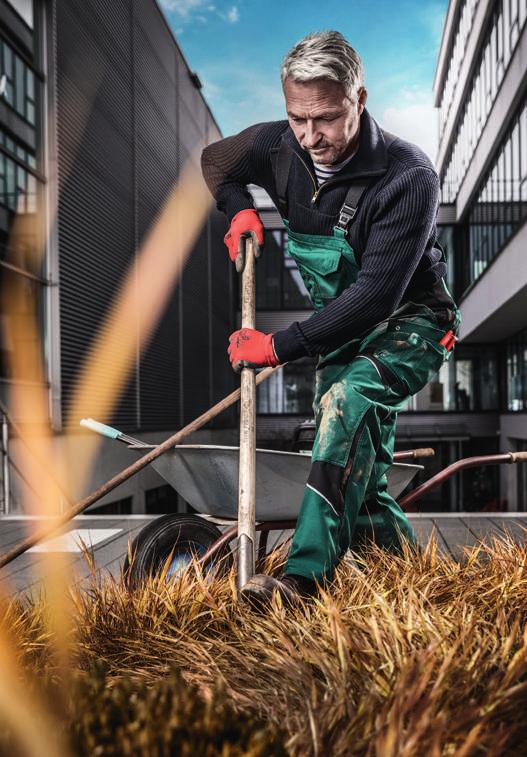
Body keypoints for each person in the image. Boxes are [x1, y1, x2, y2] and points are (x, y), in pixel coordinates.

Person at [201, 31, 461, 606]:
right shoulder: (278, 147)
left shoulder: (408, 177)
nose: (310, 135)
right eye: (298, 118)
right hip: (345, 327)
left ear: (359, 99)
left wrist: (278, 347)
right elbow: (217, 160)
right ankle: (417, 584)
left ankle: (302, 580)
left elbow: (373, 298)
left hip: (413, 323)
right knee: (361, 477)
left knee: (343, 402)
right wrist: (240, 208)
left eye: (326, 117)